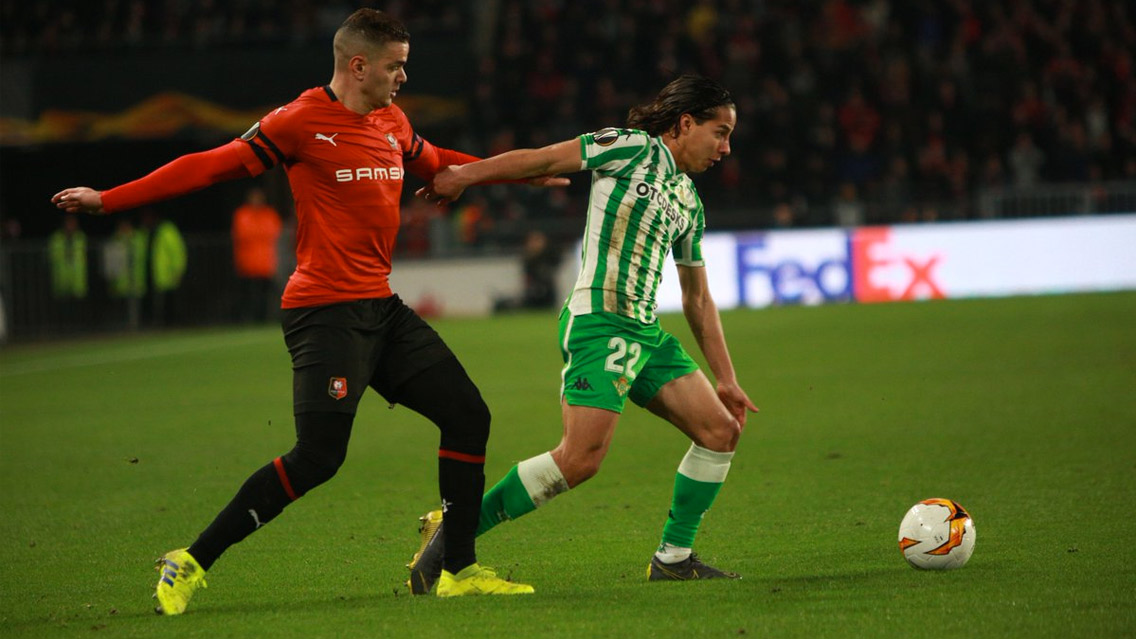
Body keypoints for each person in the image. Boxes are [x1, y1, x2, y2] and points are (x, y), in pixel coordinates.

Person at [52, 8, 564, 613]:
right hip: (324, 311)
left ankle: (458, 569)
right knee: (319, 457)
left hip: (380, 305)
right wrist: (110, 200)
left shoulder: (392, 121)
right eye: (395, 67)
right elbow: (208, 164)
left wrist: (515, 174)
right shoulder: (298, 122)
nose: (403, 78)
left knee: (468, 415)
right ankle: (188, 561)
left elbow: (438, 163)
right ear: (358, 65)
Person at [406, 75, 758, 594]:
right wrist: (464, 175)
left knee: (720, 430)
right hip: (600, 322)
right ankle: (453, 534)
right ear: (685, 124)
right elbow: (545, 159)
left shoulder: (689, 201)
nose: (726, 148)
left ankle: (673, 558)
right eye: (719, 132)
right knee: (580, 459)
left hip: (644, 332)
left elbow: (698, 299)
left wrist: (726, 378)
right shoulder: (629, 147)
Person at [231, 186, 283, 323]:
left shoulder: (269, 214)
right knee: (247, 294)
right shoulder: (242, 214)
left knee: (264, 294)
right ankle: (246, 319)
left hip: (266, 263)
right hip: (247, 262)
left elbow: (274, 232)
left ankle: (263, 318)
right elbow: (243, 234)